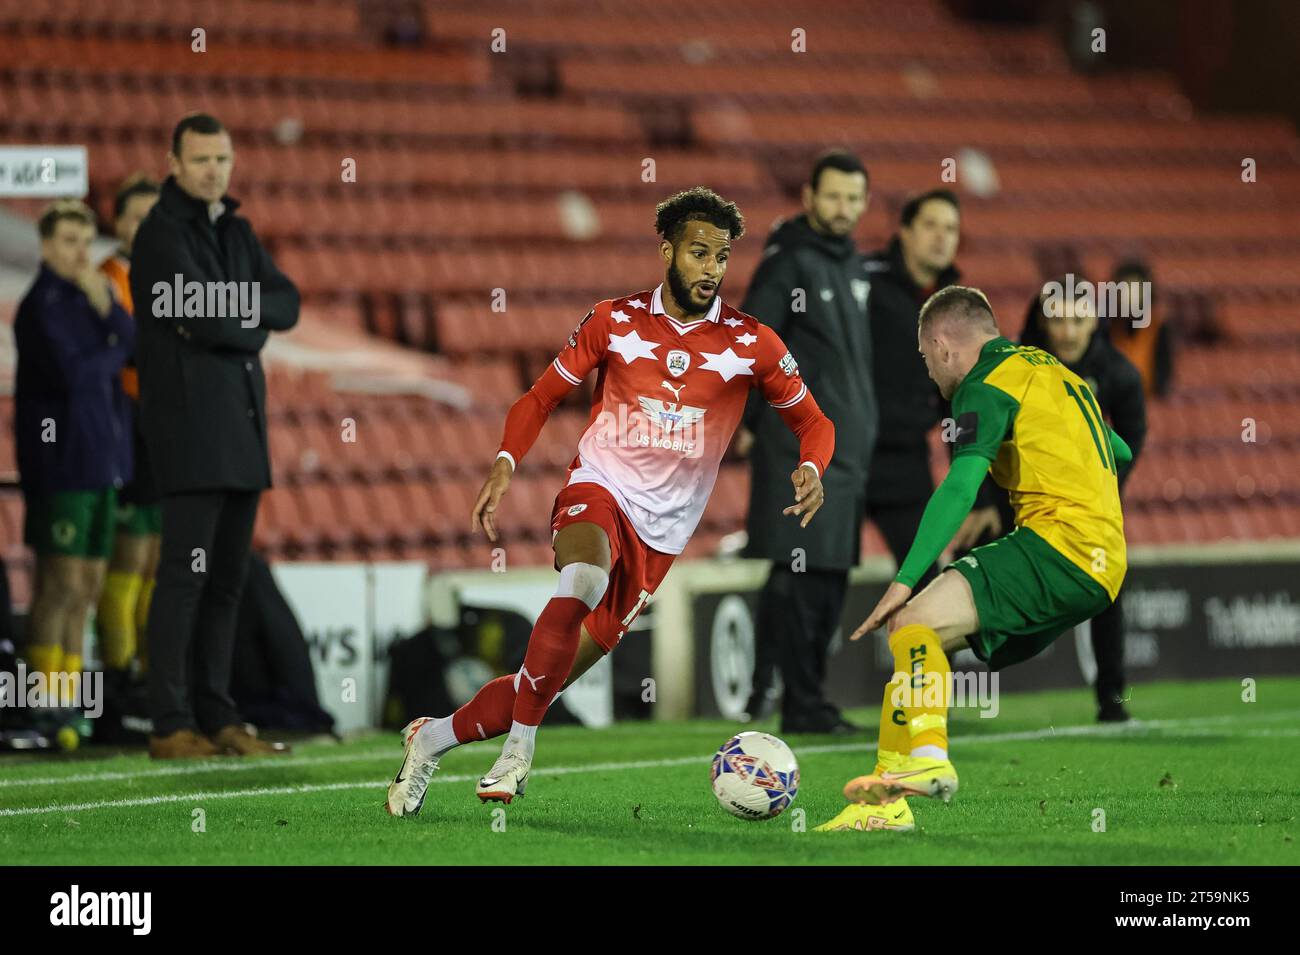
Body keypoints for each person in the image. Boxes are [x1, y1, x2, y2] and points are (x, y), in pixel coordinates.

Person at [386, 186, 836, 816]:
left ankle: (429, 739)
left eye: (722, 257)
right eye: (699, 253)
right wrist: (504, 462)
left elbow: (815, 422)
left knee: (537, 685)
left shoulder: (750, 343)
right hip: (599, 487)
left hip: (662, 538)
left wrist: (812, 467)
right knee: (584, 577)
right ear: (667, 251)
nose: (711, 269)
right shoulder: (613, 321)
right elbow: (539, 397)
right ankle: (517, 755)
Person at [815, 286, 1131, 832]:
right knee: (917, 639)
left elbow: (961, 487)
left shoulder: (981, 385)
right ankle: (885, 804)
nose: (929, 373)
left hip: (1059, 545)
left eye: (924, 358)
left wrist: (905, 579)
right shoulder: (1053, 372)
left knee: (909, 617)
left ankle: (931, 757)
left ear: (941, 345)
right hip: (1106, 562)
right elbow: (1119, 448)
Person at [129, 113, 299, 759]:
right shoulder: (158, 236)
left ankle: (218, 714)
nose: (213, 171)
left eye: (222, 159)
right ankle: (169, 722)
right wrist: (244, 317)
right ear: (173, 163)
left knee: (227, 580)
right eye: (201, 159)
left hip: (241, 431)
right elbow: (208, 319)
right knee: (183, 578)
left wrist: (236, 312)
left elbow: (288, 301)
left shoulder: (237, 229)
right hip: (190, 432)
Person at [739, 149, 876, 734]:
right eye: (833, 196)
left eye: (853, 197)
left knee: (827, 575)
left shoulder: (853, 267)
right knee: (801, 573)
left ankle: (800, 693)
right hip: (799, 449)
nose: (843, 208)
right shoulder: (789, 262)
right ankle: (797, 700)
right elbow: (750, 344)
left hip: (849, 453)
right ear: (809, 199)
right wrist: (745, 423)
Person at [13, 200, 135, 727]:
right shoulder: (40, 305)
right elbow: (75, 374)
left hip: (99, 461)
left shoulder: (90, 297)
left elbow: (132, 347)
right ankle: (42, 705)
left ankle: (68, 705)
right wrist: (109, 344)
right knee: (58, 585)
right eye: (68, 241)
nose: (80, 253)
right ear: (45, 245)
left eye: (86, 243)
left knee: (86, 586)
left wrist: (109, 312)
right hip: (60, 465)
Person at [863, 189, 1000, 592]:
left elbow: (962, 405)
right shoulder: (862, 283)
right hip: (841, 456)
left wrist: (982, 495)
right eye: (930, 225)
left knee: (923, 585)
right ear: (904, 231)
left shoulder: (960, 309)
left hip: (904, 460)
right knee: (817, 578)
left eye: (951, 229)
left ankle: (927, 657)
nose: (941, 237)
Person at [1022, 283, 1146, 722]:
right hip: (1021, 501)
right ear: (1041, 321)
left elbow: (1131, 440)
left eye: (1078, 319)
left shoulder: (1119, 374)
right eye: (1058, 319)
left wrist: (1101, 492)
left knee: (1107, 591)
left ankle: (1111, 697)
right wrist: (982, 501)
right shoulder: (1018, 368)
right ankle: (942, 698)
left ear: (1095, 321)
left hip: (1088, 507)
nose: (1068, 331)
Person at [96, 174, 162, 696]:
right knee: (127, 562)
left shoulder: (168, 280)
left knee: (154, 566)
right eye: (136, 218)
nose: (144, 229)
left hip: (165, 435)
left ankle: (145, 675)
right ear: (117, 220)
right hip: (127, 429)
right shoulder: (107, 278)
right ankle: (117, 683)